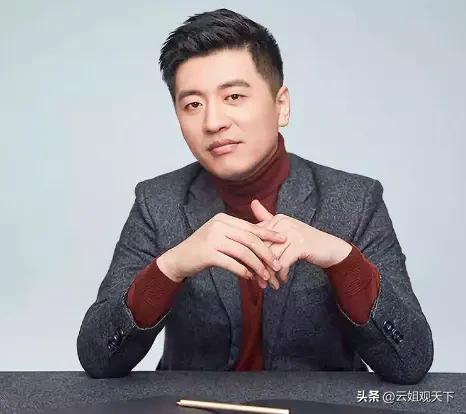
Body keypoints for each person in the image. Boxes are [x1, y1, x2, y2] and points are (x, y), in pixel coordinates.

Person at [77, 8, 433, 384]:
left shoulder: (355, 200)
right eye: (193, 104)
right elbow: (99, 359)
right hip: (193, 406)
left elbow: (410, 362)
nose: (213, 122)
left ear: (281, 106)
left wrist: (342, 259)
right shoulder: (158, 202)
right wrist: (171, 267)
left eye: (233, 96)